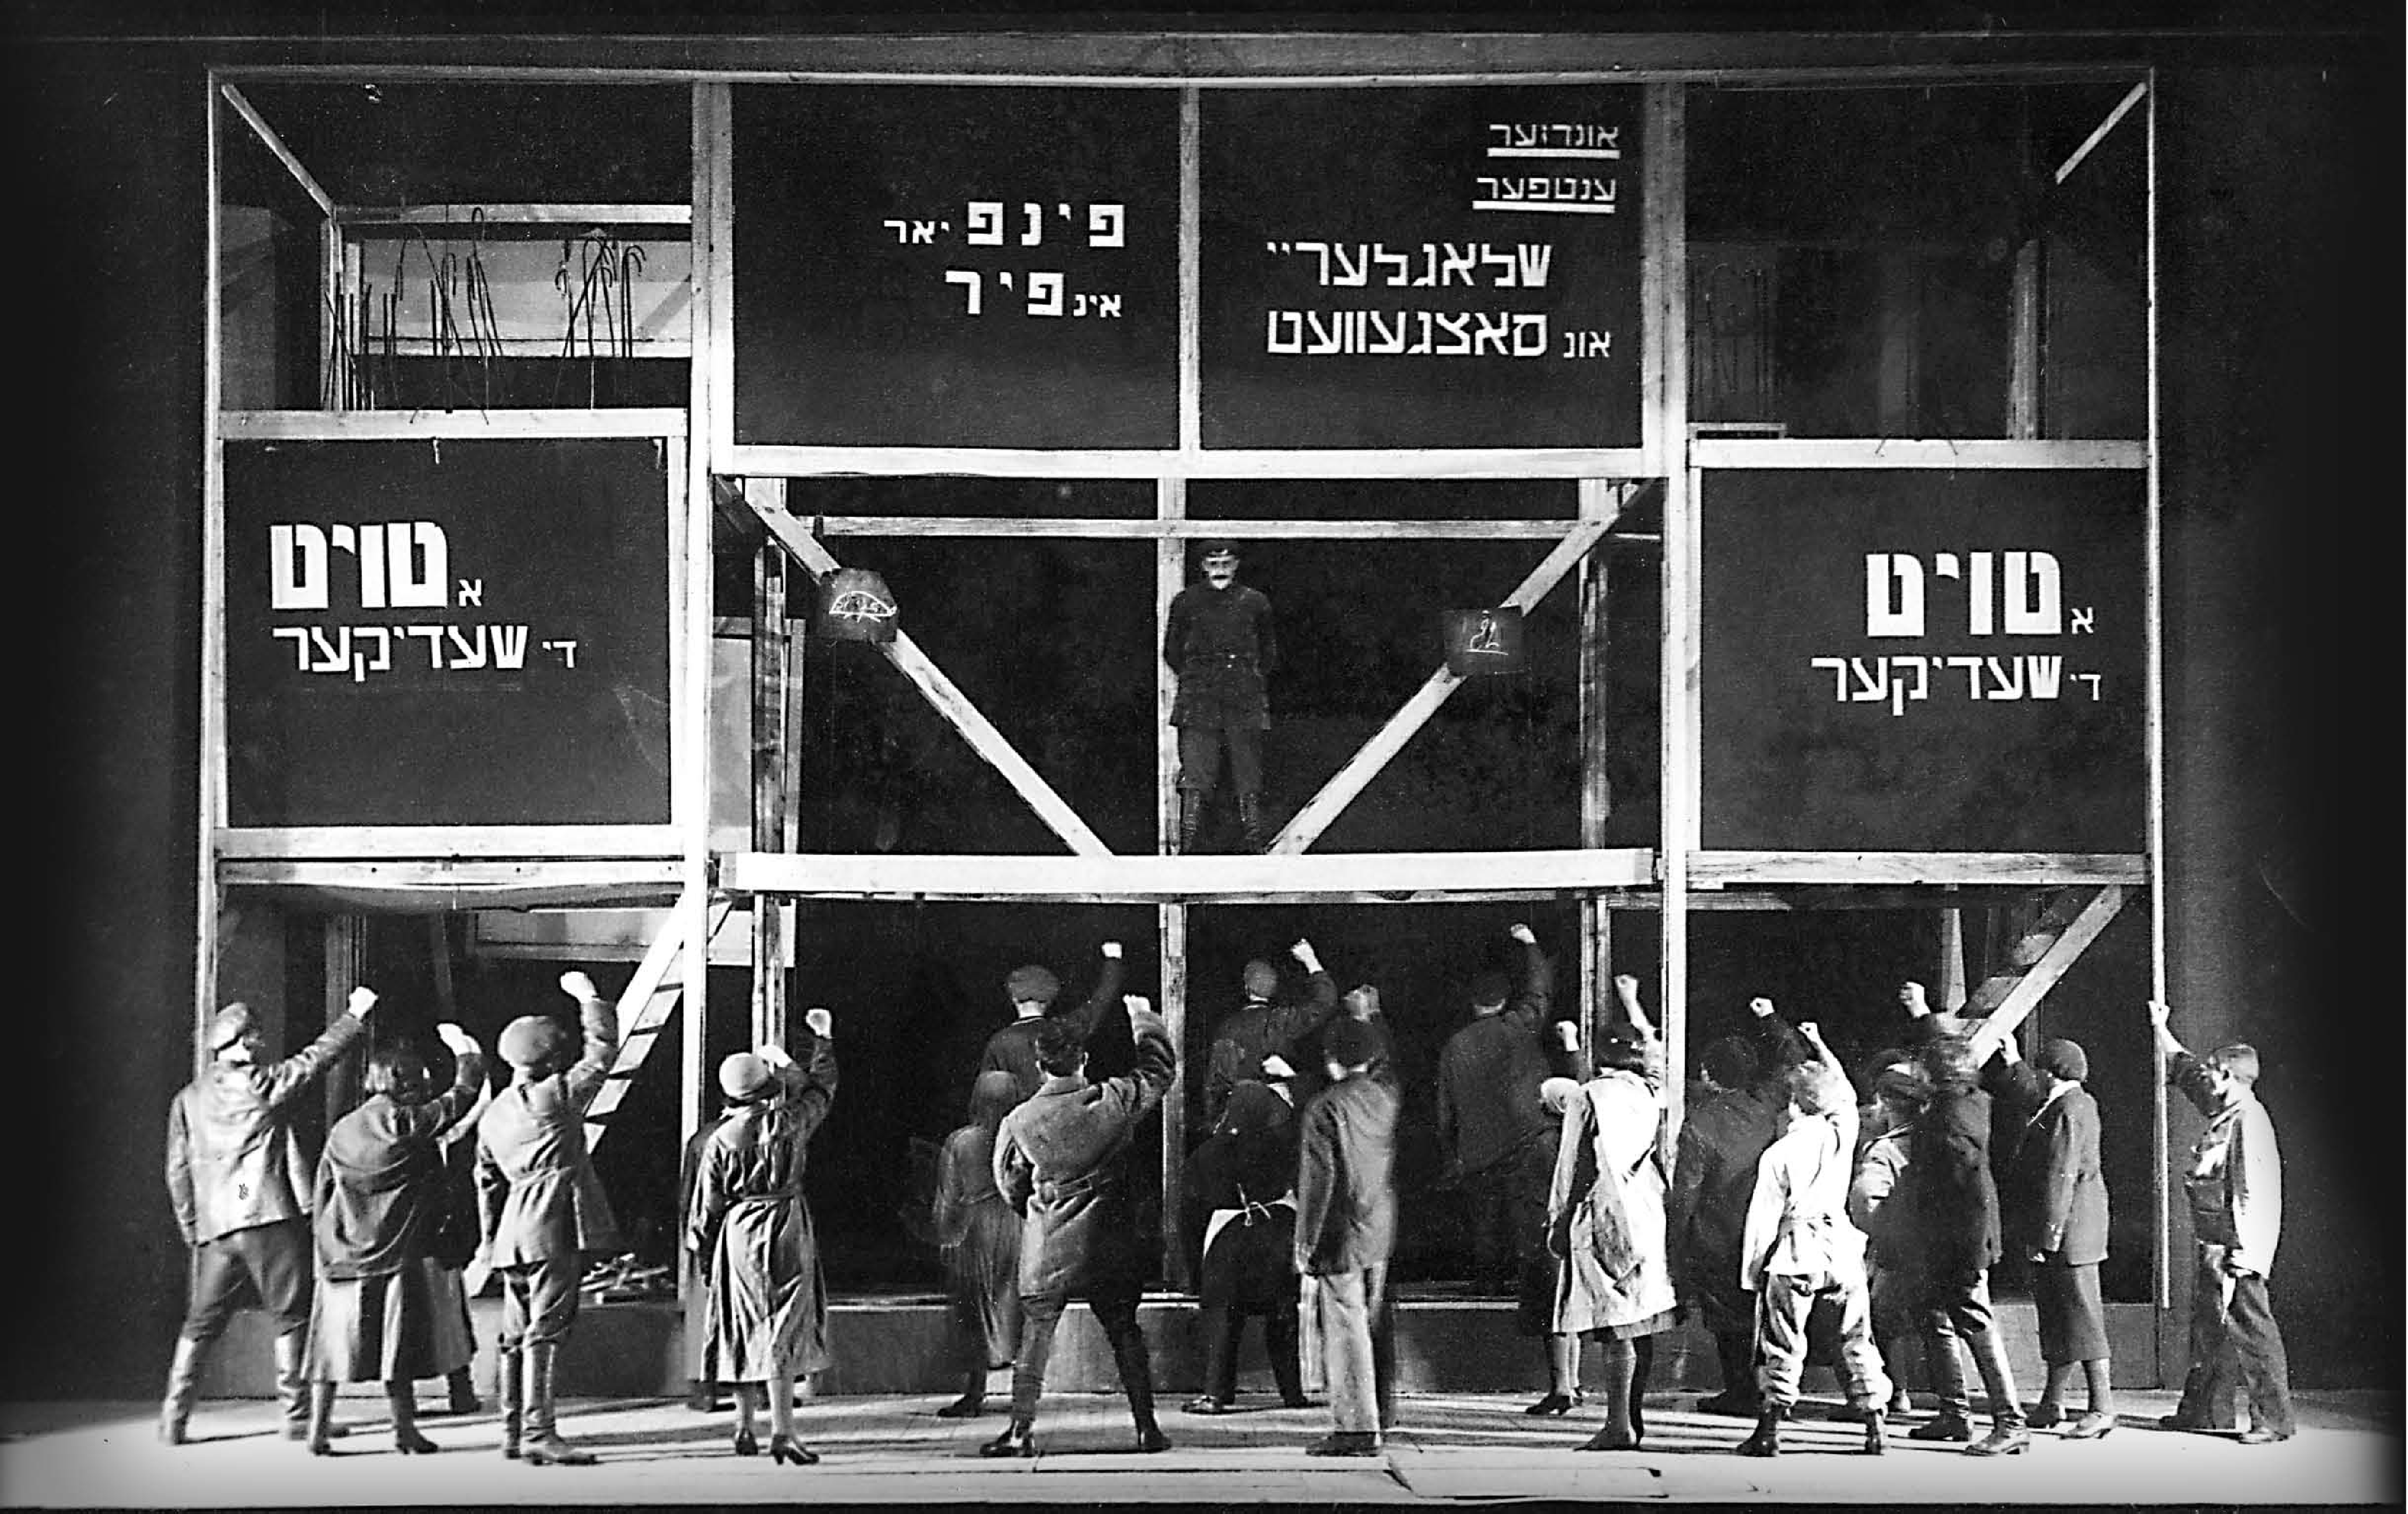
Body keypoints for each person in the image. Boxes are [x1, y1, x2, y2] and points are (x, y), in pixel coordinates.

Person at [162, 985, 380, 1446]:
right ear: (242, 1043)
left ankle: (173, 1420)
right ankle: (297, 1416)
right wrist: (354, 1016)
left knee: (200, 1322)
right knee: (291, 1316)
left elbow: (177, 1170)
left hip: (219, 1226)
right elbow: (315, 1060)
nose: (261, 1042)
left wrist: (193, 1227)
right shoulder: (260, 1084)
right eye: (256, 1036)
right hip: (263, 1214)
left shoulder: (188, 1098)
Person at [984, 996, 1178, 1457]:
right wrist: (1142, 1019)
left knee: (1035, 1336)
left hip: (1048, 1243)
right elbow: (1160, 1071)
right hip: (1110, 1241)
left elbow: (1009, 1185)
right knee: (1124, 1331)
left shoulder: (1019, 1121)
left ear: (1040, 1065)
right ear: (1084, 1059)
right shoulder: (1114, 1099)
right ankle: (1147, 1429)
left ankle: (1019, 1431)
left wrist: (1043, 1210)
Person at [300, 1027, 489, 1455]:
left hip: (341, 1255)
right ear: (407, 1083)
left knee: (328, 1349)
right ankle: (404, 1431)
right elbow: (461, 1097)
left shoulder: (343, 1129)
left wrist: (325, 1250)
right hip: (396, 1255)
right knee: (395, 1347)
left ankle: (317, 1430)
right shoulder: (408, 1123)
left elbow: (322, 1193)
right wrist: (466, 1053)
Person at [476, 969, 623, 1467]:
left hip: (512, 1235)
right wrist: (589, 999)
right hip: (554, 1226)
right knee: (547, 1330)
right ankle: (540, 1432)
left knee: (515, 1335)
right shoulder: (554, 1095)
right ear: (554, 1059)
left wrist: (489, 1241)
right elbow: (602, 1053)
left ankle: (512, 1431)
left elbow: (487, 1184)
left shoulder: (493, 1114)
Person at [688, 1008, 840, 1466]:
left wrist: (705, 1255)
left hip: (738, 1233)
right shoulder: (790, 1123)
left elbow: (706, 1208)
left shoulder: (718, 1140)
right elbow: (822, 1090)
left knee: (740, 1324)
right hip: (788, 1224)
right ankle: (783, 1430)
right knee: (783, 1326)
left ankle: (743, 1425)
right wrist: (816, 1045)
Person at [1735, 1016, 1891, 1457]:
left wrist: (1754, 1273)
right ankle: (1875, 1426)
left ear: (1794, 1104)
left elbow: (1763, 1220)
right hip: (1841, 1251)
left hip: (1796, 1254)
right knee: (1857, 1338)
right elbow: (1844, 1092)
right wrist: (1819, 1044)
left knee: (1782, 1341)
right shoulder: (1842, 1132)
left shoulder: (1779, 1154)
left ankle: (1769, 1430)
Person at [2150, 1000, 2294, 1445]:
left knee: (2252, 1330)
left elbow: (2256, 1191)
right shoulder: (2227, 1109)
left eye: (2214, 1070)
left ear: (2229, 1075)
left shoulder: (2250, 1122)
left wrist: (2247, 1253)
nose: (2207, 1076)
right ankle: (2205, 1412)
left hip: (2239, 1246)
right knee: (2210, 1329)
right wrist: (2161, 1027)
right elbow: (2189, 1072)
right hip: (2215, 1240)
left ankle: (2273, 1420)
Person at [1545, 974, 1676, 1452]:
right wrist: (1632, 1002)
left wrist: (1558, 1219)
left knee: (1615, 1322)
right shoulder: (1650, 1091)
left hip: (1604, 1210)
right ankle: (1632, 1419)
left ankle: (1618, 1425)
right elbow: (1658, 1055)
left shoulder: (1588, 1096)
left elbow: (1572, 1164)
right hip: (1647, 1209)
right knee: (1641, 1318)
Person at [1667, 997, 1813, 1420]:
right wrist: (1770, 1018)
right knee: (1764, 1314)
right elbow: (1792, 1055)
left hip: (1717, 1234)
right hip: (1766, 1229)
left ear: (1708, 1075)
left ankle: (1741, 1391)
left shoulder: (1700, 1123)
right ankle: (1770, 1389)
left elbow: (1686, 1192)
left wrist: (1675, 1246)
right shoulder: (1767, 1104)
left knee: (1727, 1319)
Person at [1435, 924, 1567, 1333]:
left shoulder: (1455, 1045)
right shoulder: (1517, 1026)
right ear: (1504, 1000)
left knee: (1486, 1223)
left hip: (1479, 1150)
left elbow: (1445, 1110)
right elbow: (1540, 993)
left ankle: (1487, 1285)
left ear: (1472, 1002)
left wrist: (1452, 1155)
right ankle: (1534, 1293)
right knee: (1530, 1220)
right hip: (1528, 1141)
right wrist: (1531, 944)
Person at [1902, 1032, 2028, 1456]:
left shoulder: (1948, 1116)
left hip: (1957, 1238)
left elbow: (1963, 1187)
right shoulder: (1972, 1102)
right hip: (1954, 1235)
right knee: (1937, 1316)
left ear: (1934, 1073)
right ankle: (1954, 1414)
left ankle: (2010, 1421)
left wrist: (1969, 1249)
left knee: (1975, 1322)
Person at [1993, 1034, 2114, 1438]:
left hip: (2070, 1234)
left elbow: (2059, 1176)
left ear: (2051, 1072)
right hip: (2068, 1231)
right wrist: (2013, 1062)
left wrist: (2047, 1237)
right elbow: (2033, 1098)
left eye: (2039, 1070)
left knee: (2082, 1319)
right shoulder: (2067, 1102)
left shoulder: (2069, 1109)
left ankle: (2102, 1407)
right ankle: (2052, 1401)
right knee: (2059, 1316)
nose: (2037, 1077)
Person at [1293, 1016, 1399, 1457]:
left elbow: (1319, 1182)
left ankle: (1356, 1428)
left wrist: (1305, 1242)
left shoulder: (1324, 1108)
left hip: (1341, 1231)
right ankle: (1382, 1413)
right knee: (1372, 1324)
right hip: (1380, 1223)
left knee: (1345, 1328)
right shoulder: (1386, 1098)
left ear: (1331, 1059)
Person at [1183, 1080, 1311, 1415]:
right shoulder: (1283, 1148)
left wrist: (1193, 1272)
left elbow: (1190, 1215)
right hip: (1276, 1238)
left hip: (1227, 1242)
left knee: (1223, 1319)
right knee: (1282, 1315)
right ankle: (1292, 1392)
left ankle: (1216, 1395)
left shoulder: (1208, 1153)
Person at [1164, 538, 1277, 853]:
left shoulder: (1255, 602)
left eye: (1226, 564)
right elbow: (1172, 651)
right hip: (1199, 700)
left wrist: (1244, 678)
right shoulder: (1186, 602)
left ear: (1236, 565)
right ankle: (1187, 849)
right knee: (1196, 774)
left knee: (1248, 772)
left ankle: (1254, 845)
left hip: (1244, 698)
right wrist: (1201, 677)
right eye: (1213, 564)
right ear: (1203, 566)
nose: (1220, 570)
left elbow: (1268, 653)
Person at [930, 1070, 1025, 1419]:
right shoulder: (1021, 1135)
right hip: (1015, 1224)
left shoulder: (962, 1141)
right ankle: (1022, 1392)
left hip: (975, 1231)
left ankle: (975, 1391)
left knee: (975, 1308)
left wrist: (946, 1234)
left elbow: (948, 1195)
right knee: (1014, 1305)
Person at [1847, 1058, 1931, 1421]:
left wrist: (1875, 1232)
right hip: (1929, 1243)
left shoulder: (1885, 1149)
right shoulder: (1933, 1136)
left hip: (1893, 1248)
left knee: (1881, 1319)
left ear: (1886, 1102)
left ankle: (1894, 1393)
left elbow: (1866, 1200)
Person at [1202, 939, 1338, 1130]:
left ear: (1246, 989)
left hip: (1240, 1124)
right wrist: (1311, 961)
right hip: (1278, 1122)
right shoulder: (1282, 1021)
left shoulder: (1228, 1028)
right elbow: (1324, 1003)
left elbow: (1217, 1084)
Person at [979, 940, 1126, 1102]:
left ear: (1013, 999)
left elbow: (987, 1100)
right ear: (1049, 1001)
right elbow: (1101, 1000)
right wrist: (1113, 960)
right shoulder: (1064, 1031)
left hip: (1019, 1118)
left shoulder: (998, 1042)